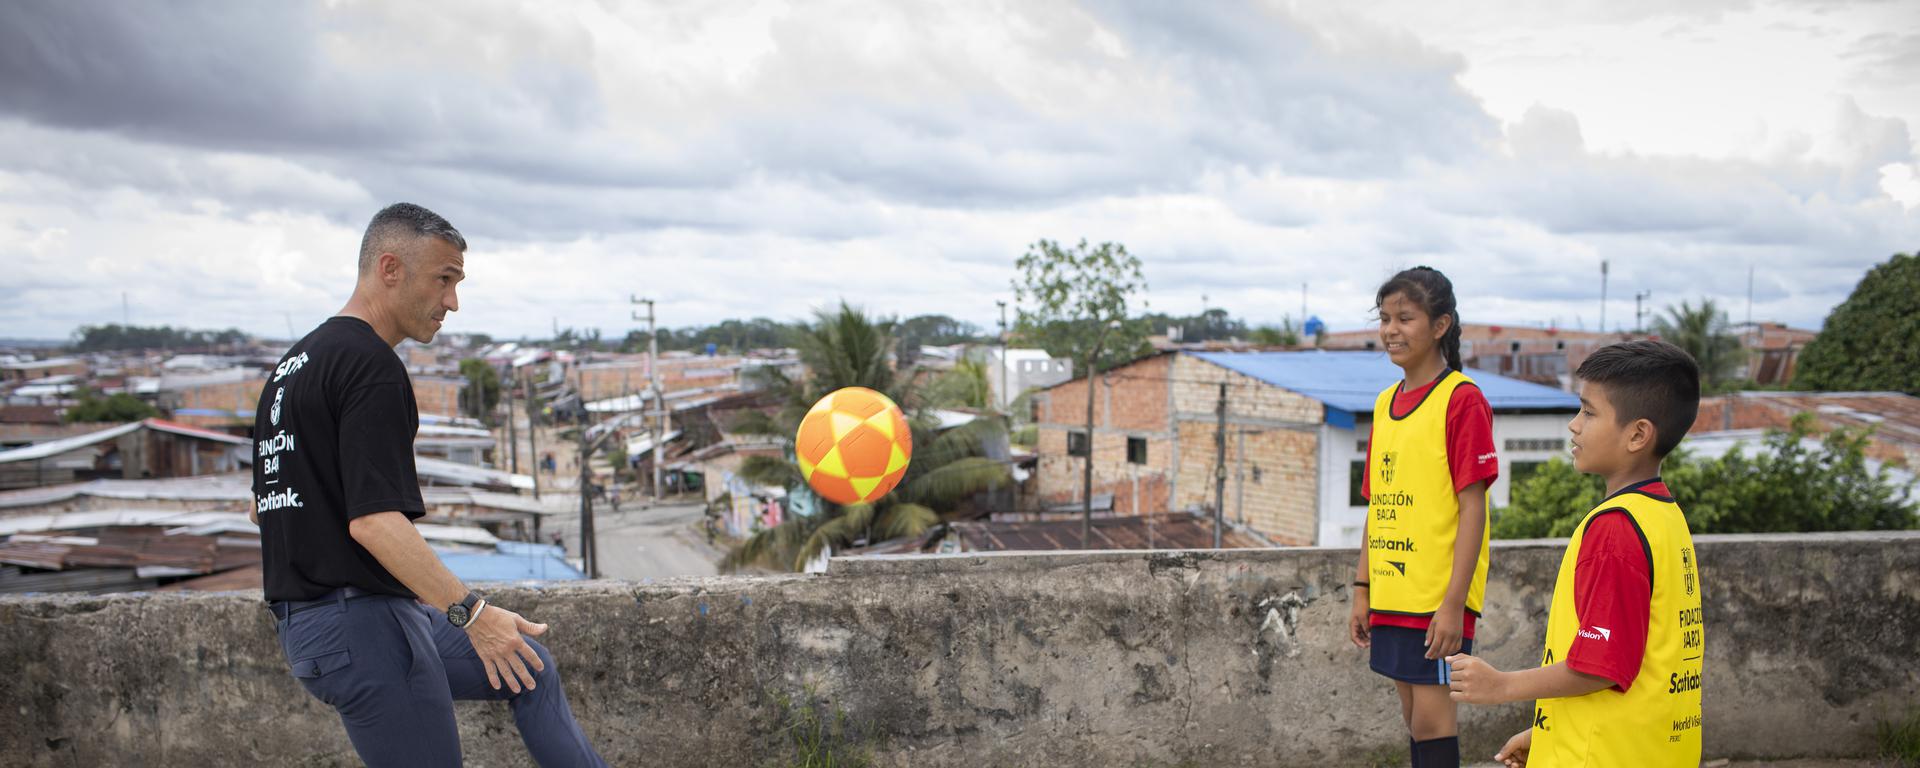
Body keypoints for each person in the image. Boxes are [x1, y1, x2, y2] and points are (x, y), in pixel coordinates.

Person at [251, 203, 608, 767]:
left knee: (529, 668)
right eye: (444, 280)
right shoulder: (370, 364)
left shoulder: (293, 366)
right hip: (360, 625)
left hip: (321, 626)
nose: (452, 302)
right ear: (390, 269)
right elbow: (373, 521)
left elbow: (264, 508)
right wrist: (472, 613)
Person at [1446, 340, 1706, 767]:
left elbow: (1601, 666)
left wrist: (1501, 686)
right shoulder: (1663, 516)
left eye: (1588, 411)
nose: (1574, 425)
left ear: (1638, 434)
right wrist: (1548, 730)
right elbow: (1638, 660)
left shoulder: (1615, 530)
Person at [1346, 266, 1497, 768]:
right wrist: (1362, 589)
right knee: (1413, 720)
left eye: (1405, 318)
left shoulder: (1461, 399)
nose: (1391, 330)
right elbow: (1378, 505)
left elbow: (1472, 507)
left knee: (1434, 724)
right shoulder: (1386, 403)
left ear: (1439, 326)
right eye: (1385, 318)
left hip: (1436, 599)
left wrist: (1454, 603)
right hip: (1393, 593)